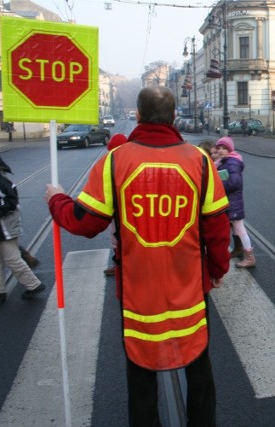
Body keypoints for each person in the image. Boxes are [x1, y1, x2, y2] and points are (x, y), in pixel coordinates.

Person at [45, 86, 231, 425]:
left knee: (140, 373)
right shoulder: (200, 161)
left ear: (139, 115)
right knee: (199, 369)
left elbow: (85, 223)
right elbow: (217, 226)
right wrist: (218, 269)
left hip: (137, 295)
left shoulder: (115, 160)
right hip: (189, 288)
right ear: (174, 117)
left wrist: (56, 199)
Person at [0, 146, 46, 305]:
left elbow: (11, 202)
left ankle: (34, 285)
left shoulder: (0, 181)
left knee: (13, 259)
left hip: (5, 229)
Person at [216, 136, 256, 267]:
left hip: (233, 201)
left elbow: (235, 183)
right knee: (234, 228)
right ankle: (238, 250)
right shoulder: (225, 161)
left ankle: (250, 258)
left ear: (230, 149)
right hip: (230, 201)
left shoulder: (232, 162)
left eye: (224, 148)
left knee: (240, 229)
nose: (221, 150)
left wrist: (219, 185)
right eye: (219, 148)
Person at [103, 133, 129, 276]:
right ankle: (118, 262)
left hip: (121, 209)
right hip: (122, 209)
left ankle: (120, 264)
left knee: (117, 238)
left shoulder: (116, 164)